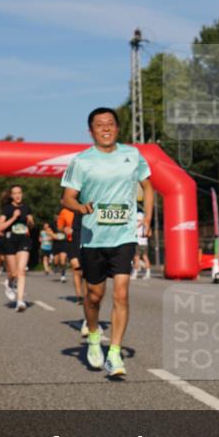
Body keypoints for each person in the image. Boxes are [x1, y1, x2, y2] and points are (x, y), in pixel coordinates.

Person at [61, 107, 153, 377]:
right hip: (93, 238)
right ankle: (92, 335)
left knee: (122, 292)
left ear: (117, 128)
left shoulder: (132, 155)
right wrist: (78, 208)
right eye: (100, 125)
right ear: (91, 131)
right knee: (94, 295)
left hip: (123, 235)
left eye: (110, 124)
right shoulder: (82, 161)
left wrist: (147, 217)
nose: (106, 128)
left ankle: (114, 351)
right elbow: (67, 197)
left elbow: (148, 186)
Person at [0, 185, 35, 311]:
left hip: (23, 240)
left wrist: (29, 222)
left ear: (22, 194)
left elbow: (32, 225)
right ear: (11, 195)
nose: (18, 195)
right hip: (10, 241)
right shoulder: (7, 209)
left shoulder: (27, 207)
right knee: (13, 273)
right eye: (15, 193)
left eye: (19, 193)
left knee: (21, 271)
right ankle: (9, 283)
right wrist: (13, 217)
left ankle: (20, 301)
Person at [57, 206, 87, 336]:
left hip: (85, 240)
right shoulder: (65, 211)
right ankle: (79, 296)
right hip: (72, 241)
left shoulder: (86, 207)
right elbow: (59, 227)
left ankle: (85, 297)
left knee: (84, 272)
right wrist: (65, 229)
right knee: (76, 268)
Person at [133, 209, 151, 279]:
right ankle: (148, 273)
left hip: (138, 241)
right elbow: (149, 233)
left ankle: (135, 273)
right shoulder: (146, 223)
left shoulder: (137, 223)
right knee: (145, 257)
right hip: (144, 242)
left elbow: (135, 228)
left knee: (136, 258)